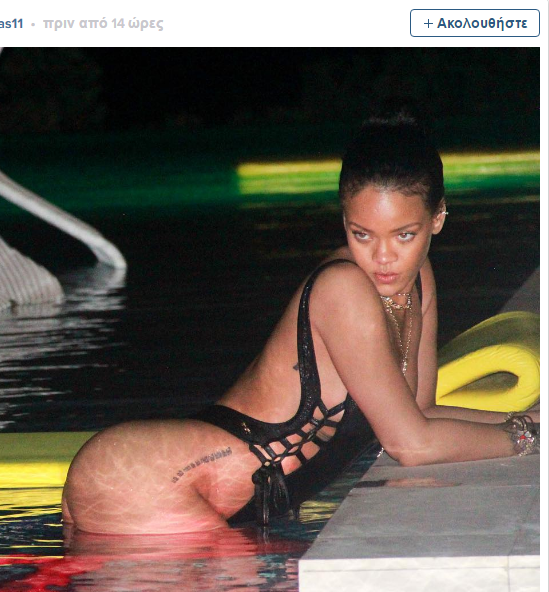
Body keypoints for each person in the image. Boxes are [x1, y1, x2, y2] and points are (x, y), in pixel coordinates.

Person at [62, 108, 538, 535]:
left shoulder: (417, 280)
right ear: (344, 221)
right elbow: (409, 445)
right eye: (362, 234)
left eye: (404, 235)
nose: (384, 257)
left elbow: (420, 415)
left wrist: (532, 422)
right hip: (146, 482)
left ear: (438, 218)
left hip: (176, 483)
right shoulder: (343, 289)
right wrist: (529, 438)